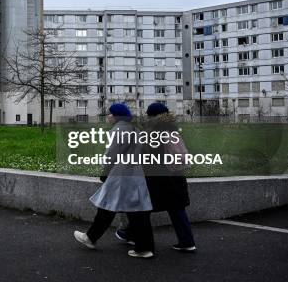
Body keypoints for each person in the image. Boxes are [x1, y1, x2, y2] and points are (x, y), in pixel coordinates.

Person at [73, 103, 155, 258]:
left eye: (110, 114)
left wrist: (105, 171)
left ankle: (91, 238)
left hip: (120, 175)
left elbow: (111, 155)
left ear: (117, 115)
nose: (108, 116)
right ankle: (142, 244)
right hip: (135, 174)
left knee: (107, 206)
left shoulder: (118, 130)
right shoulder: (135, 129)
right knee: (134, 210)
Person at [115, 102, 197, 252]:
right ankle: (187, 241)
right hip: (176, 175)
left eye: (148, 114)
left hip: (159, 178)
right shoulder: (173, 127)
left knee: (141, 209)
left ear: (151, 115)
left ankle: (134, 237)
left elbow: (147, 153)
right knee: (177, 210)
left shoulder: (154, 130)